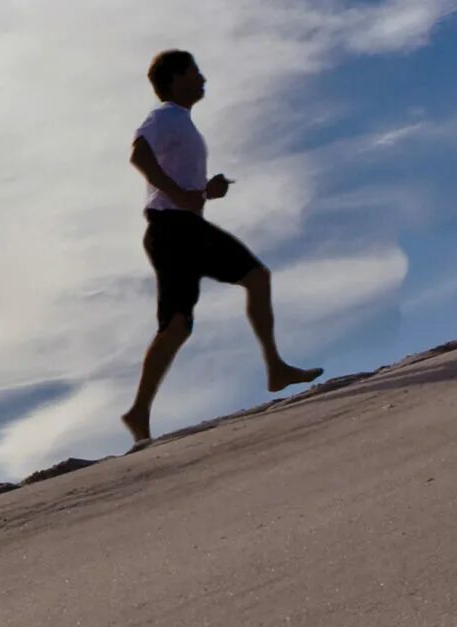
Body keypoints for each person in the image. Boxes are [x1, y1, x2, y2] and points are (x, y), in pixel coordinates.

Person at [121, 51, 323, 445]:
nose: (202, 78)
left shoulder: (183, 123)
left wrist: (204, 193)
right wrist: (183, 194)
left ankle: (140, 411)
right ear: (176, 79)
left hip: (180, 227)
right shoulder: (165, 115)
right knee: (231, 292)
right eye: (195, 72)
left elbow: (183, 194)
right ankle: (273, 369)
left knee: (185, 322)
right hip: (172, 229)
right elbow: (138, 155)